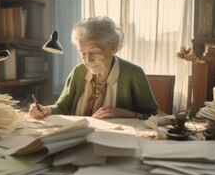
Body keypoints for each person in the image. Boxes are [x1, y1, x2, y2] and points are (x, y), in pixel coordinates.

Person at [29, 16, 159, 119]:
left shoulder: (134, 74)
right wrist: (46, 110)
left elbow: (153, 116)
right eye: (82, 53)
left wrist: (126, 114)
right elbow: (61, 108)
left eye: (95, 52)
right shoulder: (78, 72)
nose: (88, 60)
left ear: (113, 48)